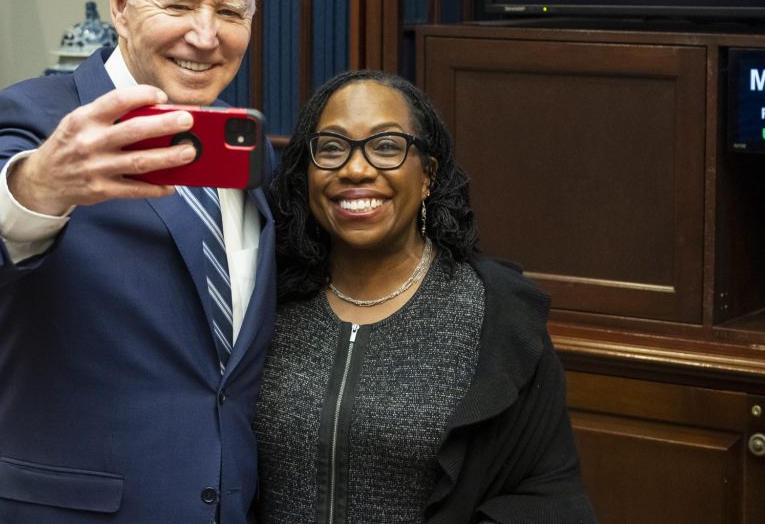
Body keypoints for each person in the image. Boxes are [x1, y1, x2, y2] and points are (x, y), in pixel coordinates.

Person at [0, 0, 277, 523]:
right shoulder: (36, 119)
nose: (206, 34)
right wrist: (40, 184)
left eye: (230, 10)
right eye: (178, 4)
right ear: (120, 2)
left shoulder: (243, 153)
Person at [255, 71, 597, 524]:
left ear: (428, 176)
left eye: (386, 146)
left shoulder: (498, 315)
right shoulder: (262, 299)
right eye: (332, 148)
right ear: (306, 173)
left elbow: (547, 496)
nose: (356, 168)